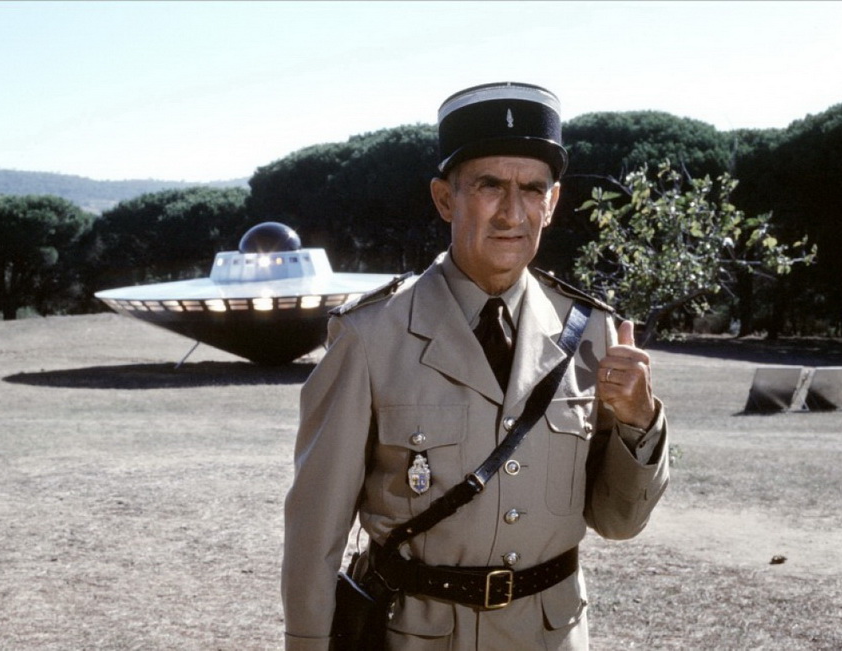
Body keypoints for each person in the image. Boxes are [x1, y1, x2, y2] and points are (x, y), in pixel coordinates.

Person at [282, 82, 669, 650]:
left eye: (532, 189)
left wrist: (639, 420)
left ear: (551, 204)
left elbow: (619, 521)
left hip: (550, 636)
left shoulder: (591, 333)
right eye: (490, 185)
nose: (512, 212)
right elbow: (315, 529)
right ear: (445, 199)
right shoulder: (371, 336)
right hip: (415, 636)